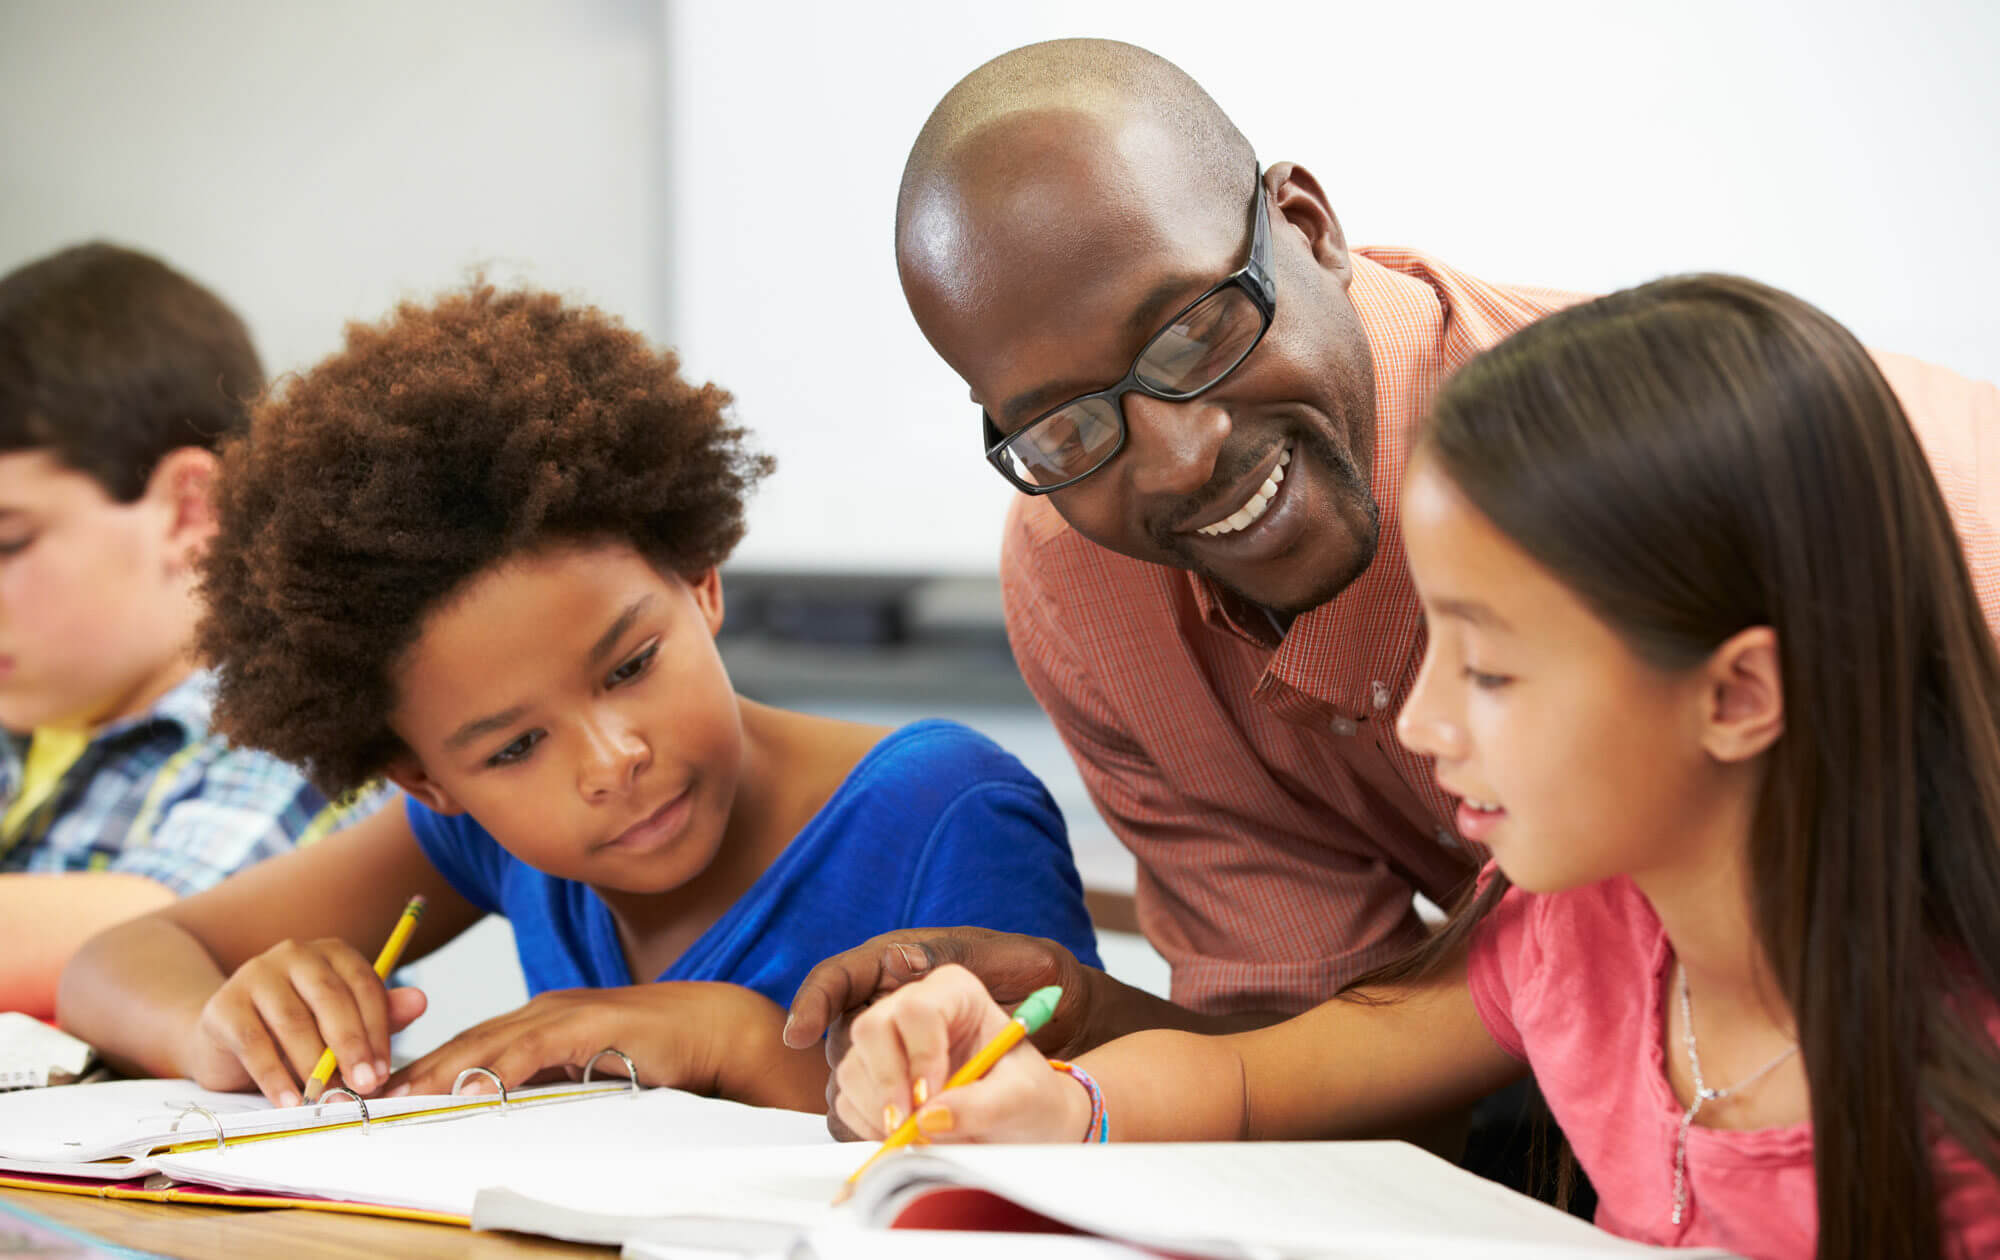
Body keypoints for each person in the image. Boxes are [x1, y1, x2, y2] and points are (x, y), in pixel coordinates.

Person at [784, 36, 2000, 1083]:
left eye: (1197, 329)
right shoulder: (1084, 584)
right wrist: (1080, 1017)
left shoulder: (1753, 487)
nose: (1176, 455)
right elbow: (1327, 1059)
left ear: (1308, 231)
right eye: (1063, 425)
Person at [829, 274, 2000, 1260]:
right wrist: (1062, 1106)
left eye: (1487, 671)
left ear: (1738, 694)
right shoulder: (1584, 932)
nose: (1424, 723)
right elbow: (1264, 1080)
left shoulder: (1960, 1091)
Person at [58, 284, 1100, 1112]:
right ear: (427, 777)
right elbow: (115, 962)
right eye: (512, 749)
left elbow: (1052, 1129)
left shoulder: (941, 811)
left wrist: (725, 1041)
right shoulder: (477, 837)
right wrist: (219, 1023)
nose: (610, 761)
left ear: (699, 578)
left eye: (629, 666)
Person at [0, 243, 377, 1019]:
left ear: (189, 511)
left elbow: (166, 938)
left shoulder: (301, 722)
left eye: (9, 543)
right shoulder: (30, 713)